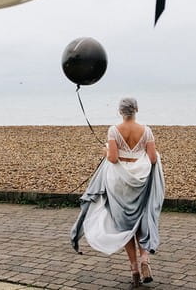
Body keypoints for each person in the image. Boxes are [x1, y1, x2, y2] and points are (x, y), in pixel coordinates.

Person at [71, 98, 165, 289]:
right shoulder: (146, 130)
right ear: (136, 109)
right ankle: (144, 258)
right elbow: (153, 158)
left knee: (124, 225)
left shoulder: (114, 130)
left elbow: (113, 158)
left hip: (119, 183)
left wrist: (106, 150)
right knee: (142, 220)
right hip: (140, 182)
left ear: (119, 111)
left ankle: (134, 270)